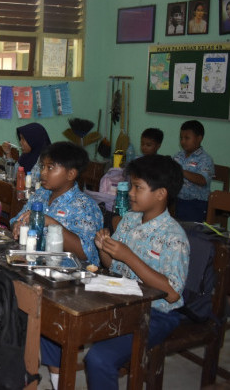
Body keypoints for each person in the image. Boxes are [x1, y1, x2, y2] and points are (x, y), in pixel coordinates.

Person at [82, 155, 188, 390]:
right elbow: (111, 264)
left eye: (138, 187)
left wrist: (129, 255)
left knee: (99, 358)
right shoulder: (129, 220)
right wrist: (104, 248)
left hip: (157, 313)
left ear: (161, 194)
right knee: (69, 318)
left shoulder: (174, 237)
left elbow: (171, 293)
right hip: (124, 300)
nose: (130, 192)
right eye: (131, 185)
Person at [11, 141, 103, 265]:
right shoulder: (40, 195)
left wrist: (52, 224)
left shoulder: (85, 207)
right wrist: (18, 225)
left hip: (71, 274)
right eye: (42, 166)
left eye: (50, 167)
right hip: (36, 263)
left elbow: (85, 253)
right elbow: (17, 220)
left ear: (71, 174)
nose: (42, 172)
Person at [173, 120, 214, 222]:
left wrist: (181, 171)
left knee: (192, 233)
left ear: (199, 138)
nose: (183, 141)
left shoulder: (205, 159)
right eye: (181, 138)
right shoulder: (178, 156)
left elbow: (203, 180)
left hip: (197, 204)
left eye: (187, 138)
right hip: (178, 201)